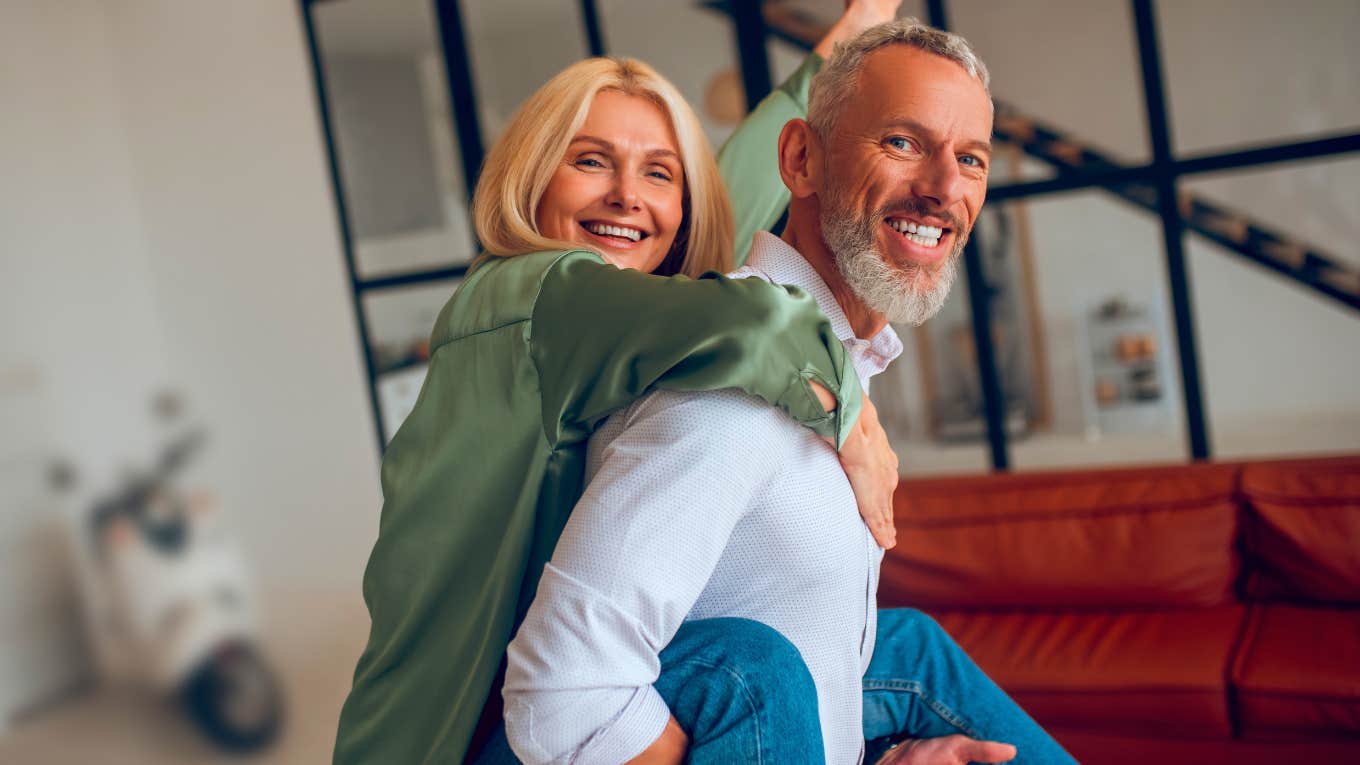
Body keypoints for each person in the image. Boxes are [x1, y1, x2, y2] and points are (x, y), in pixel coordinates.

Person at [331, 3, 906, 763]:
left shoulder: (626, 318)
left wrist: (850, 35)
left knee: (908, 647)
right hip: (463, 738)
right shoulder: (534, 297)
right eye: (591, 160)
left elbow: (720, 201)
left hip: (523, 712)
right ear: (534, 178)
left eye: (658, 172)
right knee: (751, 668)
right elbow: (755, 323)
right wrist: (852, 411)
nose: (628, 196)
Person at [503, 19, 1081, 765]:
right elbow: (564, 688)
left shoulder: (830, 371)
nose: (944, 188)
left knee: (906, 646)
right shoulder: (730, 398)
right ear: (801, 158)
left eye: (970, 158)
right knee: (756, 667)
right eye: (902, 143)